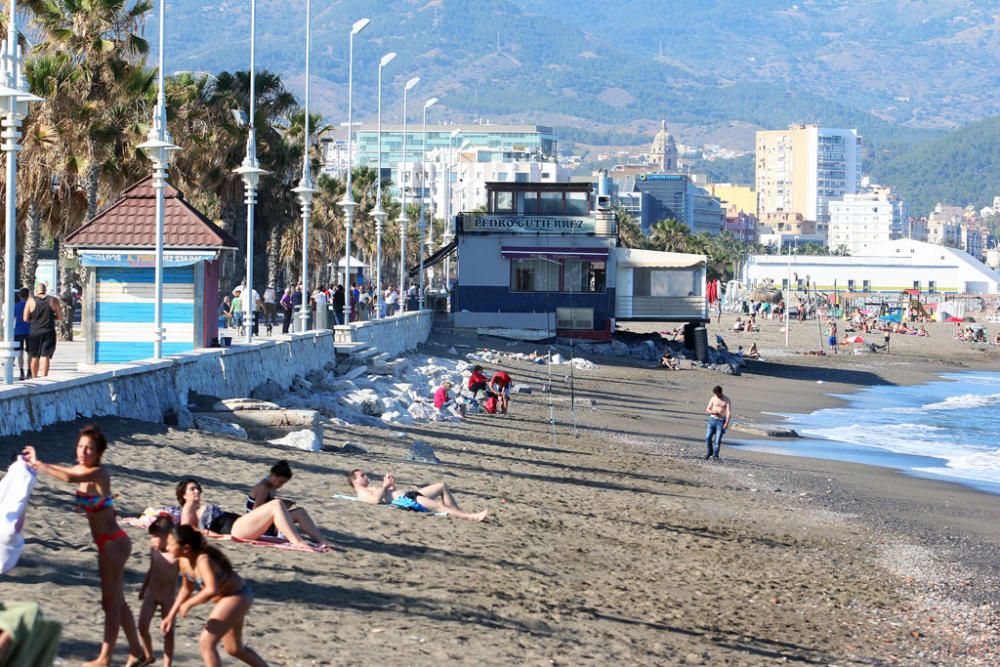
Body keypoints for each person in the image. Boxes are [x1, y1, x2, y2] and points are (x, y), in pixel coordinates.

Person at [22, 425, 146, 667]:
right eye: (80, 446)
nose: (83, 451)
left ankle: (105, 658)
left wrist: (38, 462)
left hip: (114, 543)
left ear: (98, 452)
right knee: (116, 601)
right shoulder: (81, 468)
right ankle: (137, 651)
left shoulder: (99, 473)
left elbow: (68, 477)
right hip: (106, 544)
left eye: (89, 448)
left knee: (110, 603)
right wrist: (38, 464)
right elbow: (66, 471)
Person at [161, 525, 268, 667]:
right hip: (228, 599)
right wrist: (171, 615)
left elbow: (212, 589)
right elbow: (186, 589)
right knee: (234, 649)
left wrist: (188, 604)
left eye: (170, 544)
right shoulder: (184, 560)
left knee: (206, 642)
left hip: (236, 596)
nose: (166, 547)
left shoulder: (202, 559)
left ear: (186, 548)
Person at [177, 478, 327, 552]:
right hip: (235, 529)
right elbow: (185, 530)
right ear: (183, 495)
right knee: (276, 504)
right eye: (192, 489)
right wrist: (211, 534)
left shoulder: (197, 506)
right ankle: (297, 542)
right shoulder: (188, 506)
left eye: (197, 488)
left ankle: (322, 542)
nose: (196, 491)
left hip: (241, 524)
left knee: (299, 511)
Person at [347, 470, 488, 522]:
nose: (366, 477)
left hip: (409, 494)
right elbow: (376, 500)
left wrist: (391, 485)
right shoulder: (362, 493)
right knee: (440, 506)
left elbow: (387, 494)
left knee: (441, 486)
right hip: (408, 500)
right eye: (362, 476)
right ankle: (471, 517)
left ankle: (459, 513)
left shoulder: (370, 488)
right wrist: (384, 486)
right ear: (354, 481)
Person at [244, 461, 326, 544]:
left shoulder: (269, 484)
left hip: (263, 524)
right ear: (273, 475)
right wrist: (280, 508)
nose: (281, 485)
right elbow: (256, 511)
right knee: (300, 513)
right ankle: (322, 540)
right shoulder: (264, 487)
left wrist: (282, 504)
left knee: (299, 512)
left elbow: (266, 504)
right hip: (259, 527)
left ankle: (320, 539)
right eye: (280, 482)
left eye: (283, 483)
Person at [138, 517, 178, 667]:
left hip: (168, 598)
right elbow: (152, 569)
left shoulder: (176, 554)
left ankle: (167, 664)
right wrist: (143, 587)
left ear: (168, 536)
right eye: (151, 537)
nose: (152, 540)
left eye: (156, 537)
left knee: (169, 633)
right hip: (152, 593)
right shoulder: (154, 550)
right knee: (142, 626)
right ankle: (149, 656)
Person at [23, 283, 62, 379]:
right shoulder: (53, 300)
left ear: (36, 290)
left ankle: (34, 377)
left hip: (34, 331)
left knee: (34, 356)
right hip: (48, 331)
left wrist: (34, 319)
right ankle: (44, 377)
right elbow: (60, 316)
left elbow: (25, 318)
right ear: (45, 290)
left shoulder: (30, 301)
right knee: (45, 355)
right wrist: (52, 317)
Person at [704, 385, 732, 461]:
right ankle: (709, 451)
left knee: (718, 439)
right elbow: (707, 409)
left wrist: (727, 422)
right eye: (715, 394)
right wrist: (713, 412)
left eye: (718, 394)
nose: (717, 395)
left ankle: (715, 455)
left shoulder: (726, 400)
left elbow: (729, 412)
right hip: (712, 419)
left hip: (721, 421)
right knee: (708, 437)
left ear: (720, 392)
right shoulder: (713, 398)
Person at [13, 288, 30, 380]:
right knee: (30, 352)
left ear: (20, 295)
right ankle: (29, 371)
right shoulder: (30, 305)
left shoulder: (16, 306)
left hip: (18, 331)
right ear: (28, 295)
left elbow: (12, 317)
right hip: (29, 331)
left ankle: (21, 372)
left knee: (20, 352)